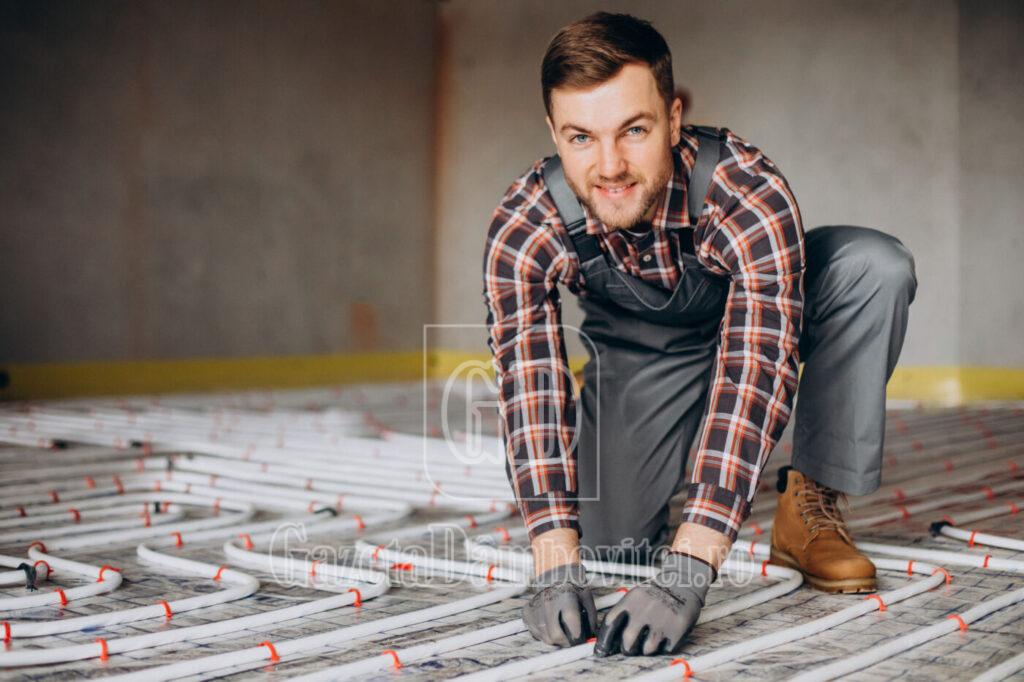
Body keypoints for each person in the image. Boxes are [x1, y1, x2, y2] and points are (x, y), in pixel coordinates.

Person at [482, 12, 916, 657]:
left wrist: (692, 565)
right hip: (644, 349)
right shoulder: (526, 224)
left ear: (674, 117)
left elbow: (756, 369)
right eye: (580, 137)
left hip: (764, 318)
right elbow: (531, 386)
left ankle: (811, 504)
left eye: (634, 130)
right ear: (553, 132)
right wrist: (552, 556)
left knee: (871, 266)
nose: (609, 166)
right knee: (613, 549)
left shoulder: (745, 190)